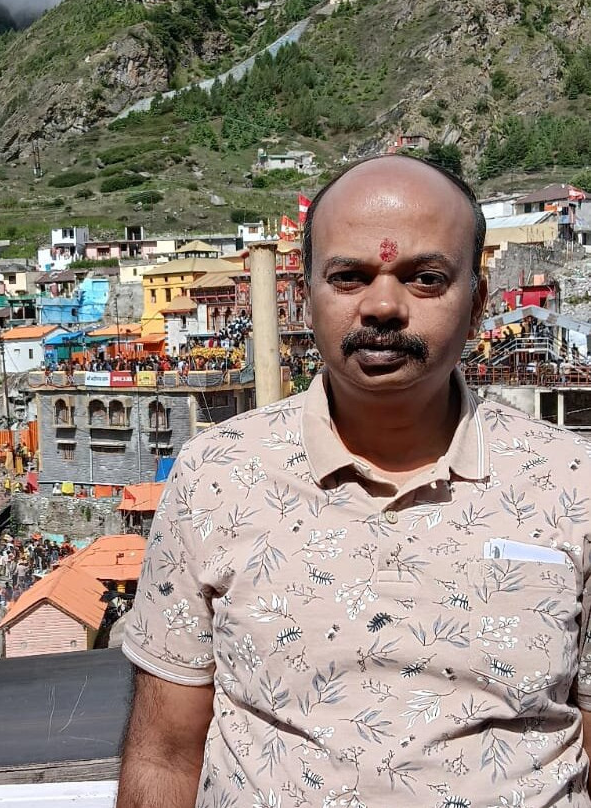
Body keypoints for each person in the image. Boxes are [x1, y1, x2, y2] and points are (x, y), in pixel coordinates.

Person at [117, 155, 591, 808]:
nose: (383, 306)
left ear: (478, 301)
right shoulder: (216, 479)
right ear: (306, 294)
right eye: (349, 277)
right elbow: (164, 755)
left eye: (426, 278)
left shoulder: (572, 483)